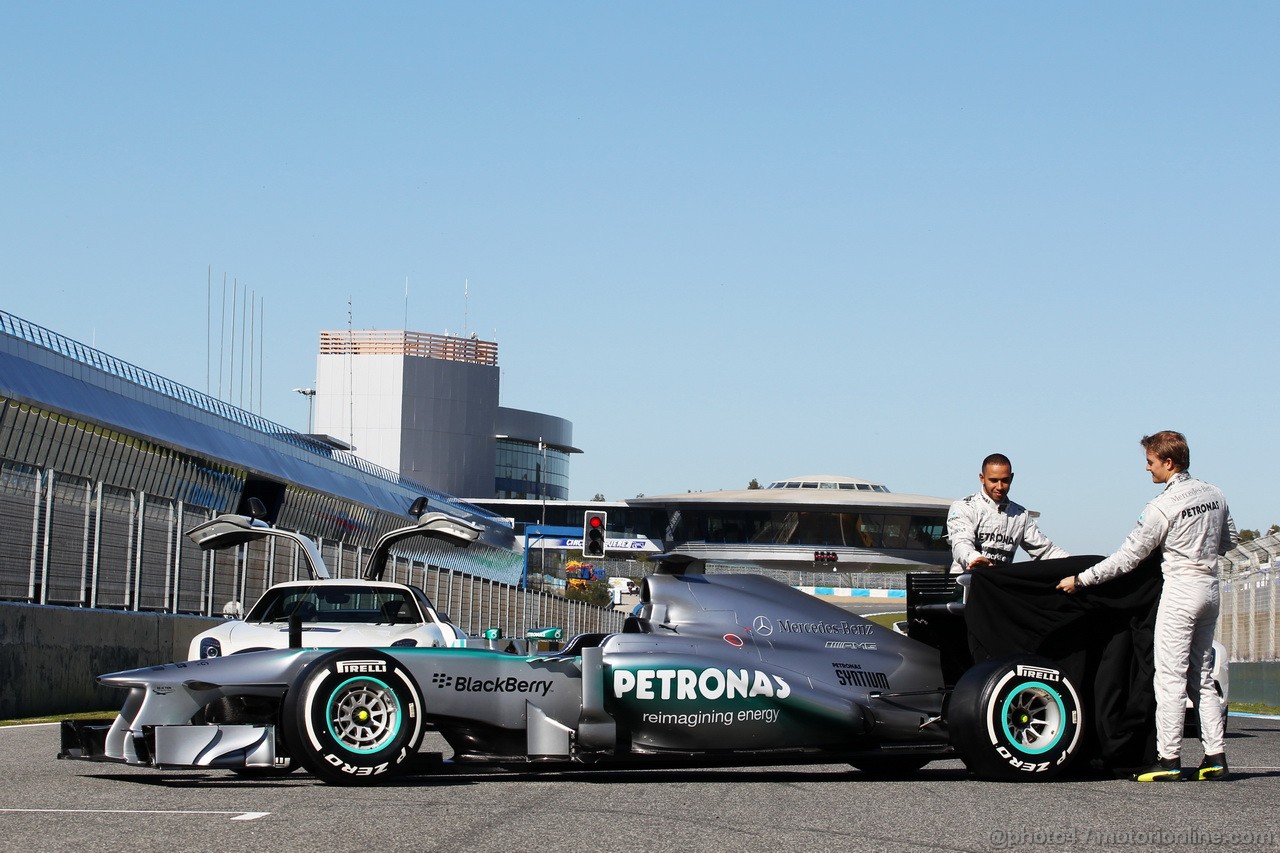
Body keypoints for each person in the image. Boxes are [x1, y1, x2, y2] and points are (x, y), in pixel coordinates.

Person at [1057, 431, 1237, 782]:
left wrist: (1081, 579)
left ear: (1168, 462)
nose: (1147, 467)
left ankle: (1168, 759)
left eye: (1151, 461)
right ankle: (1215, 756)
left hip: (1181, 591)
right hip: (1211, 589)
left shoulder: (1161, 506)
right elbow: (1228, 542)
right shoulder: (1216, 493)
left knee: (1169, 678)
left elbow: (1128, 557)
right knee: (1199, 677)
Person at [946, 453, 1068, 574]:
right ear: (982, 478)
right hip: (965, 585)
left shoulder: (1021, 515)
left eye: (1005, 480)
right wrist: (975, 558)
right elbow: (960, 544)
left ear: (1012, 478)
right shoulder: (963, 507)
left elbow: (1045, 551)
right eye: (993, 480)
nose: (999, 486)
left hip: (998, 586)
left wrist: (1080, 566)